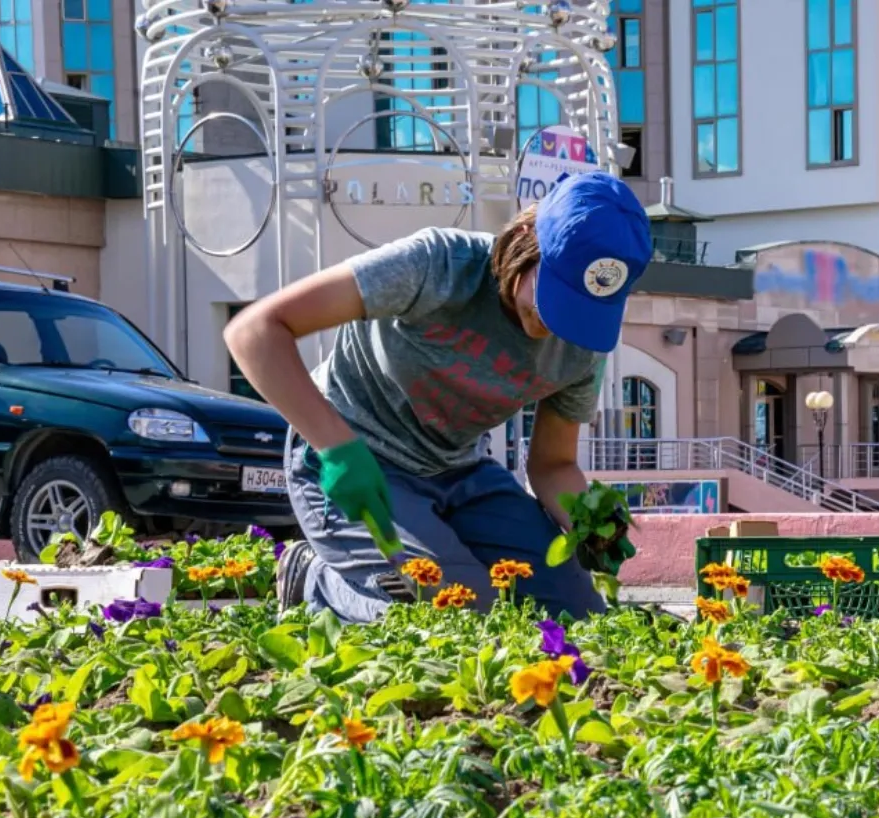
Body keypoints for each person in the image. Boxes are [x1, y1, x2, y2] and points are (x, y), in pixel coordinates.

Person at [225, 172, 650, 623]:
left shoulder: (583, 341)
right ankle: (314, 581)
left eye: (579, 309)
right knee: (453, 609)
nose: (554, 323)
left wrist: (588, 525)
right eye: (553, 295)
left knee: (578, 616)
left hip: (460, 472)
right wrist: (336, 447)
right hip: (357, 460)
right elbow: (255, 332)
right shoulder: (438, 266)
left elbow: (552, 463)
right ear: (526, 238)